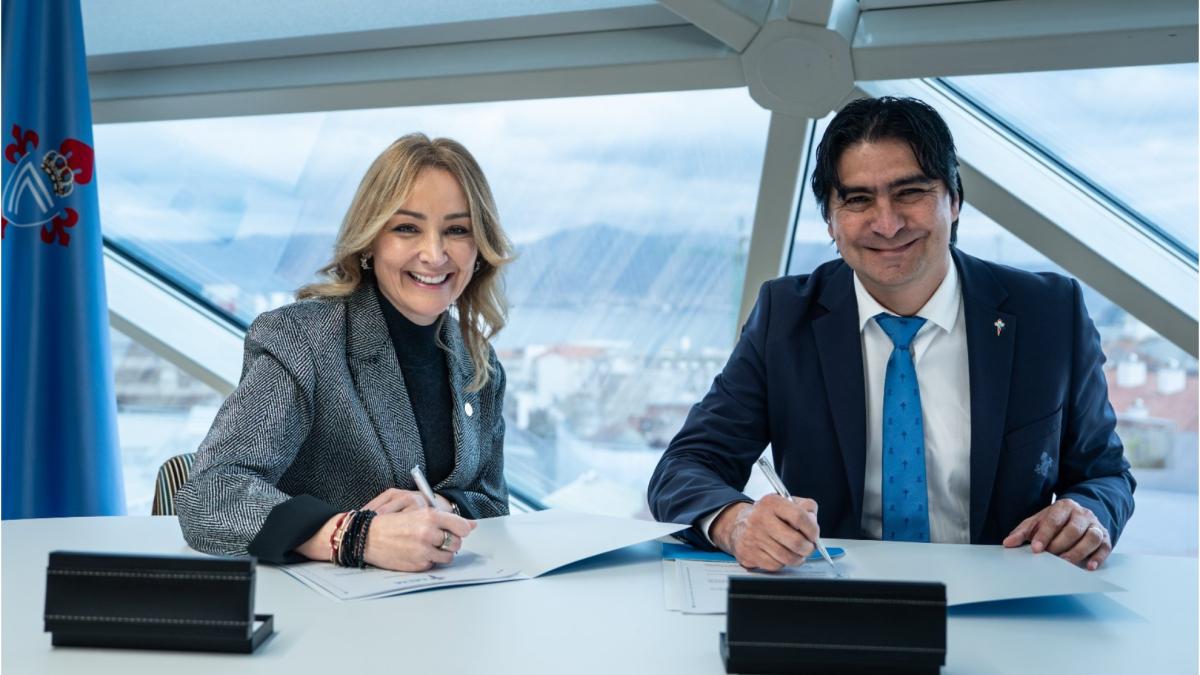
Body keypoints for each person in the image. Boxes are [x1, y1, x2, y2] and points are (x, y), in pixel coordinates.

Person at [647, 96, 1134, 572]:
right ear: (831, 222)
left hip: (1004, 595)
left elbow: (1104, 474)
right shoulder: (785, 317)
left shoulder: (1049, 314)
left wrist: (1087, 514)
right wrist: (736, 523)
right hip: (837, 598)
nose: (887, 224)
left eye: (910, 193)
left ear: (954, 200)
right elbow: (686, 466)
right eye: (858, 199)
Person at [177, 133, 513, 571]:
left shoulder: (479, 362)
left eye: (457, 230)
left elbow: (493, 503)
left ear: (479, 247)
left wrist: (437, 506)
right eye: (406, 228)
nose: (434, 254)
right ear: (371, 241)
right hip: (317, 605)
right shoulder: (303, 339)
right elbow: (211, 493)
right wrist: (352, 535)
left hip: (444, 601)